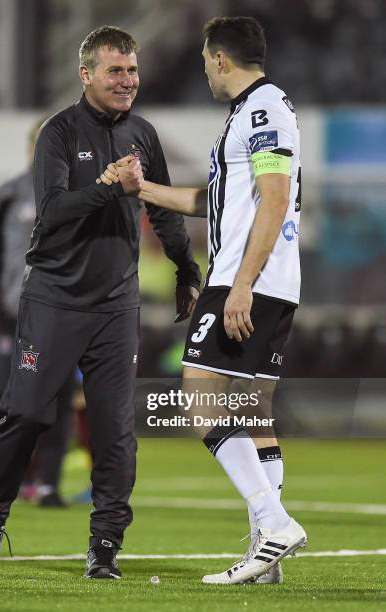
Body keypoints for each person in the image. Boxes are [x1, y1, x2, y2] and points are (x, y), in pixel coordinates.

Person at [0, 26, 201, 578]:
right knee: (23, 414)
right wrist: (109, 187)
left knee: (115, 430)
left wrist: (185, 268)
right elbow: (52, 213)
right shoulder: (59, 133)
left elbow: (161, 208)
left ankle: (105, 545)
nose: (128, 81)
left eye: (133, 70)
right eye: (116, 71)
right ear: (86, 73)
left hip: (117, 307)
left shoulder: (144, 133)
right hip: (53, 301)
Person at [99, 16, 306, 585]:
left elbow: (274, 198)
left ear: (219, 60)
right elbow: (209, 201)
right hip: (268, 279)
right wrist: (139, 188)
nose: (205, 72)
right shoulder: (250, 114)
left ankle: (273, 521)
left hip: (249, 279)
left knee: (198, 393)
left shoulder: (263, 110)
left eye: (204, 62)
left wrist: (240, 284)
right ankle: (268, 550)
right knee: (252, 409)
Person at [0, 123, 74, 508]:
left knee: (60, 397)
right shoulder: (8, 191)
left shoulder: (79, 192)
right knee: (2, 398)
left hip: (65, 312)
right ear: (33, 147)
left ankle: (48, 485)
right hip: (17, 312)